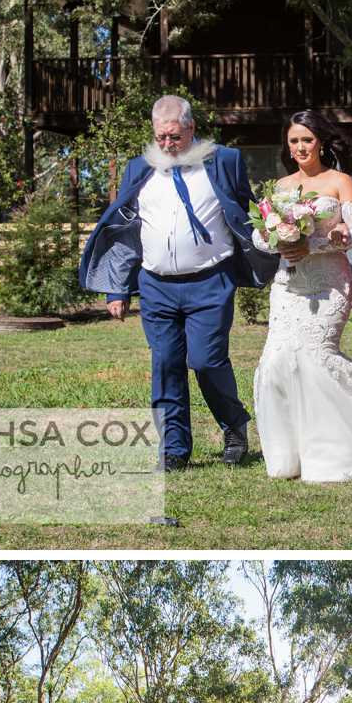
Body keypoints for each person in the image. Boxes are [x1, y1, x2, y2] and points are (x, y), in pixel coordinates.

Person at [79, 94, 276, 469]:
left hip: (210, 280)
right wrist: (118, 288)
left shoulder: (224, 162)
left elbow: (245, 213)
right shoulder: (139, 168)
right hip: (156, 284)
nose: (167, 145)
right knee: (167, 363)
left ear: (191, 129)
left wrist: (274, 247)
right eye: (161, 137)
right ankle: (173, 449)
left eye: (175, 137)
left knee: (205, 360)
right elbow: (125, 230)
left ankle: (233, 424)